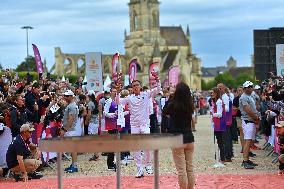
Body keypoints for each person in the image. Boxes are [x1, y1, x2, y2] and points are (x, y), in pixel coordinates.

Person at [116, 78, 161, 178]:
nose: (135, 87)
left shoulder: (146, 94)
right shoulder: (129, 98)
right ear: (132, 88)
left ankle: (148, 164)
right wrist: (118, 92)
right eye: (134, 85)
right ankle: (139, 169)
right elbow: (118, 102)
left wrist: (158, 81)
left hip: (145, 124)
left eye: (137, 85)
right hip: (134, 125)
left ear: (140, 86)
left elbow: (158, 90)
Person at [162, 82, 195, 189]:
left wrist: (171, 97)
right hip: (189, 137)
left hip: (177, 138)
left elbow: (164, 111)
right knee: (189, 168)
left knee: (181, 170)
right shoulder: (190, 104)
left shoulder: (173, 104)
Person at [239, 81, 259, 169]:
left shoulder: (249, 96)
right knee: (247, 141)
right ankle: (245, 161)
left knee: (249, 141)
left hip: (251, 121)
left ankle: (247, 159)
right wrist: (256, 118)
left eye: (251, 86)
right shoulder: (244, 97)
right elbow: (248, 110)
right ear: (244, 88)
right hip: (248, 121)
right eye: (248, 87)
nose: (250, 88)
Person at [59, 90, 79, 173]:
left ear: (71, 97)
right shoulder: (71, 105)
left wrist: (64, 129)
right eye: (65, 96)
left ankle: (74, 166)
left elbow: (70, 119)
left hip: (70, 130)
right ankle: (73, 165)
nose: (65, 97)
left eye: (67, 96)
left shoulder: (72, 106)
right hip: (70, 130)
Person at [210, 88, 226, 165]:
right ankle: (221, 158)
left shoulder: (219, 101)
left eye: (212, 93)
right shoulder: (215, 101)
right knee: (219, 141)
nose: (211, 94)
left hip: (219, 123)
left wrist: (213, 114)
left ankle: (222, 158)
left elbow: (220, 114)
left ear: (216, 93)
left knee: (220, 141)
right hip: (217, 123)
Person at [86, 90, 100, 161]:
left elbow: (89, 114)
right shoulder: (96, 102)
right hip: (96, 122)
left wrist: (86, 122)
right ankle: (96, 154)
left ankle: (96, 155)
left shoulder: (90, 103)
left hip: (92, 122)